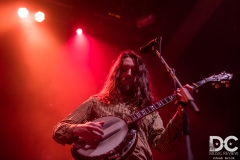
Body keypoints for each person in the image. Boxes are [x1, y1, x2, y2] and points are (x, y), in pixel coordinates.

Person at [52, 50, 192, 160]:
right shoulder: (95, 102)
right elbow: (59, 130)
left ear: (141, 77)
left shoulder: (150, 111)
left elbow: (163, 146)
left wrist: (180, 113)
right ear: (117, 74)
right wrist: (78, 129)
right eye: (124, 69)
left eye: (135, 71)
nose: (129, 74)